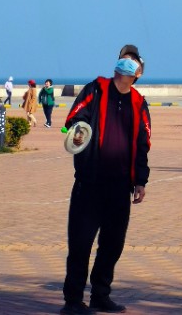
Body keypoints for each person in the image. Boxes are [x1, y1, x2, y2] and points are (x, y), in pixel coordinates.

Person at [60, 46, 151, 315]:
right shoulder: (95, 89)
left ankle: (100, 295)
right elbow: (74, 117)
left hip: (120, 185)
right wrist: (77, 130)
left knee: (112, 245)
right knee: (80, 244)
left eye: (132, 60)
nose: (126, 62)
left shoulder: (139, 103)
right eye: (124, 58)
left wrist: (141, 180)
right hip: (89, 182)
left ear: (138, 72)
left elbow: (143, 143)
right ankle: (73, 301)